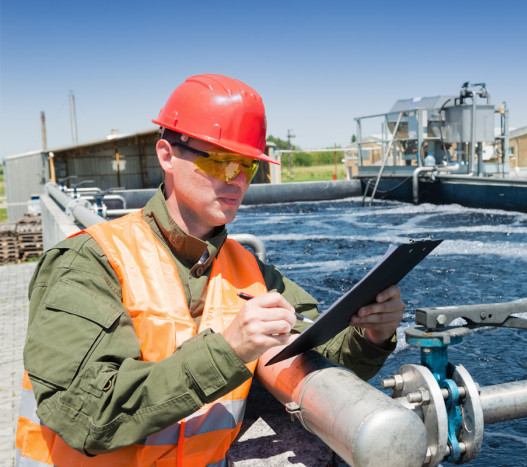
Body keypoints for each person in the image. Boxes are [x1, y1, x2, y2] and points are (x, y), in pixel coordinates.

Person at [16, 74, 405, 466]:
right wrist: (231, 349)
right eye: (221, 162)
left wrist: (373, 333)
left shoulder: (250, 268)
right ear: (166, 155)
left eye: (249, 167)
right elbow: (86, 415)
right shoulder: (87, 261)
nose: (237, 180)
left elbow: (326, 360)